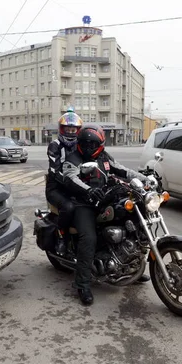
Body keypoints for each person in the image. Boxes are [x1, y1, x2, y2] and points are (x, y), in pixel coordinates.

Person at [62, 124, 152, 306]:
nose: (89, 148)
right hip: (83, 203)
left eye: (93, 144)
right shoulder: (73, 158)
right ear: (79, 143)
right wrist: (88, 191)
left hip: (104, 199)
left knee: (132, 222)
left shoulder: (104, 157)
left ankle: (133, 266)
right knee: (89, 238)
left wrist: (145, 179)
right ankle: (82, 284)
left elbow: (122, 170)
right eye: (85, 144)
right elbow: (71, 178)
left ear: (100, 144)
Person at [45, 108, 83, 256]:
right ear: (62, 129)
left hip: (75, 185)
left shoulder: (80, 145)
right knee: (69, 207)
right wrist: (73, 183)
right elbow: (54, 171)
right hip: (56, 188)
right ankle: (62, 236)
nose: (71, 132)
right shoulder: (55, 145)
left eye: (74, 129)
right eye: (68, 129)